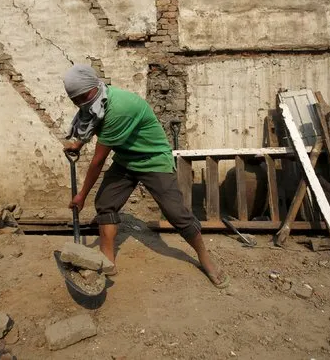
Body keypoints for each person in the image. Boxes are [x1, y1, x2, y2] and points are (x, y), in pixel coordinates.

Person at [62, 64, 230, 288]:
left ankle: (204, 257)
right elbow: (92, 121)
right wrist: (78, 143)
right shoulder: (94, 103)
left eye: (83, 96)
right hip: (126, 159)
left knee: (176, 213)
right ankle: (107, 260)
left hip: (153, 159)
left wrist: (81, 195)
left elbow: (98, 161)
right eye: (75, 100)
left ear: (95, 86)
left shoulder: (119, 107)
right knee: (105, 203)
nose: (80, 103)